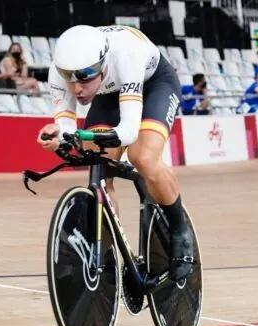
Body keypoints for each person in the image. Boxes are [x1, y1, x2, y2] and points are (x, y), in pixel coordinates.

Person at [36, 24, 193, 282]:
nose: (76, 89)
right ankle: (105, 251)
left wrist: (84, 136)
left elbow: (129, 131)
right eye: (70, 78)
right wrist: (59, 136)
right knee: (99, 163)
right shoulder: (60, 72)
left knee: (142, 157)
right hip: (107, 94)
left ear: (102, 63)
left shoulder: (126, 56)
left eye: (85, 76)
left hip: (154, 84)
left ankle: (179, 230)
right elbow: (65, 125)